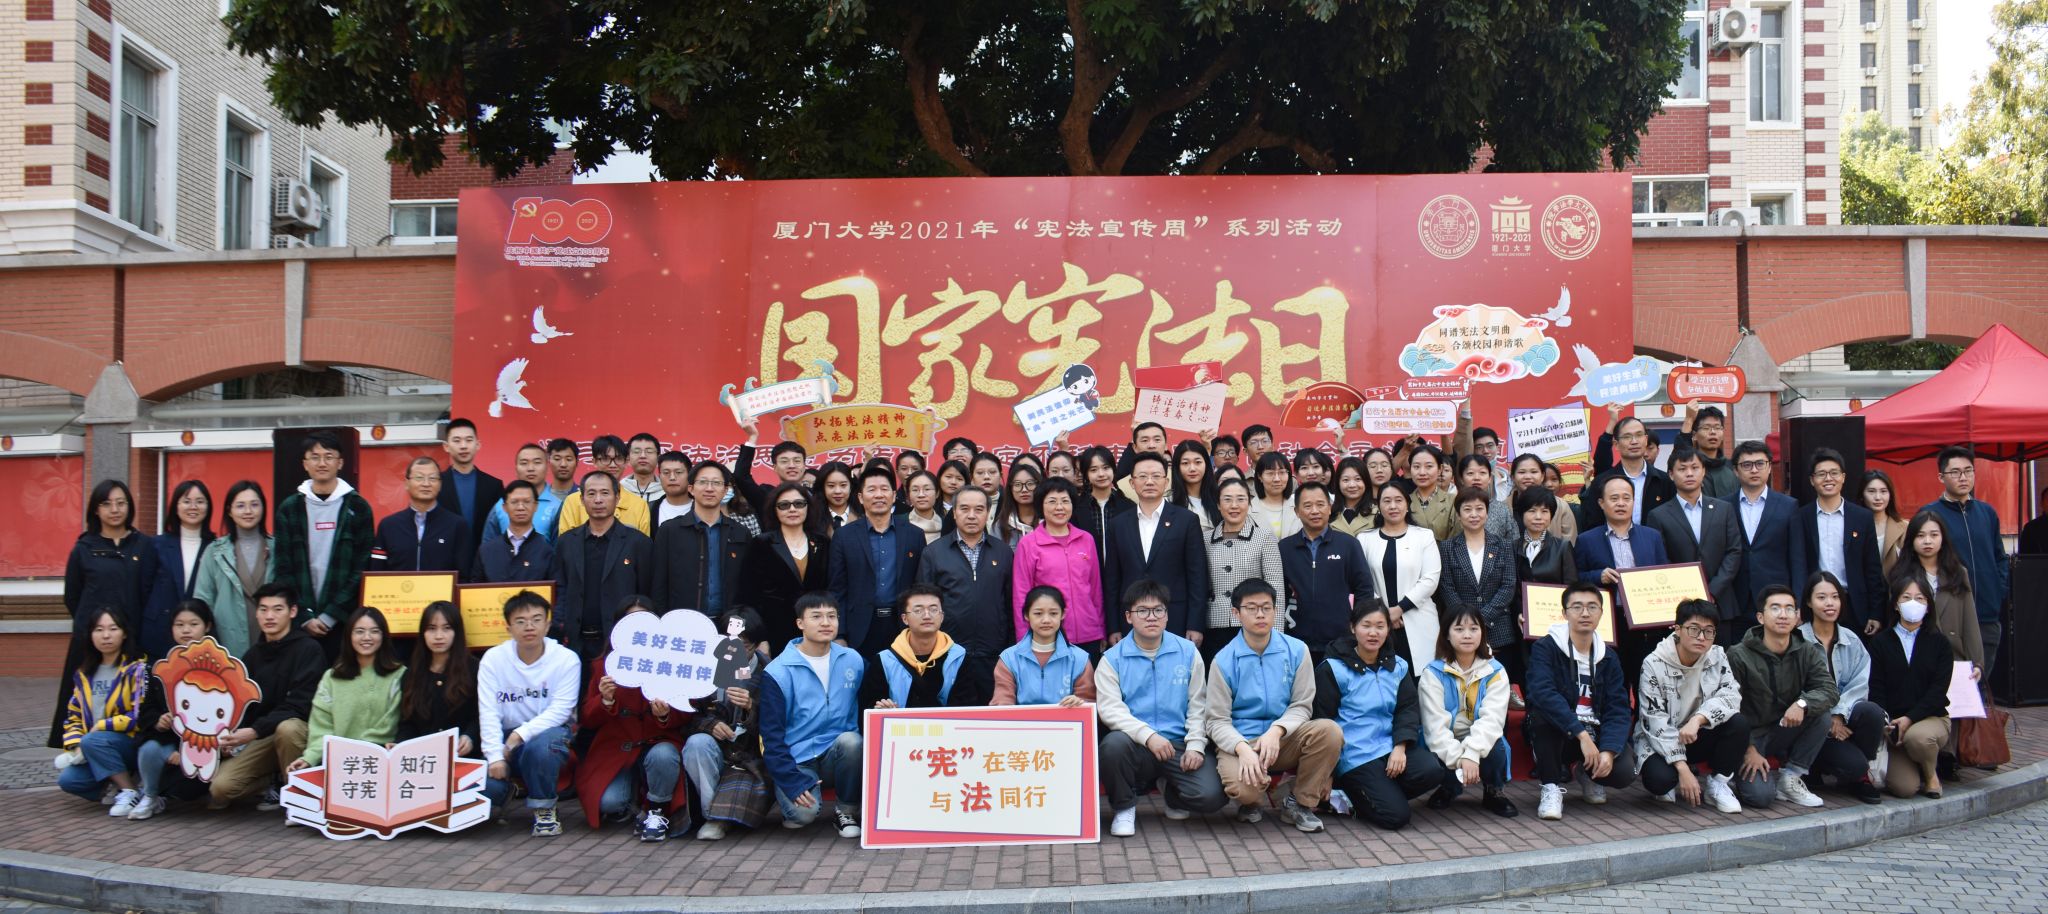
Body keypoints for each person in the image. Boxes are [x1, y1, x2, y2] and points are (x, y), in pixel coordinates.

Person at [1205, 579, 1343, 833]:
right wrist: (1242, 749)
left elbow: (1302, 705)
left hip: (1283, 739)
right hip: (1242, 742)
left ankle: (1299, 802)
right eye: (1251, 608)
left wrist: (1276, 730)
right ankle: (1251, 802)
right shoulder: (1223, 660)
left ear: (1276, 610)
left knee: (1329, 731)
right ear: (1236, 613)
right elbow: (1216, 721)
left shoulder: (1296, 650)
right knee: (1244, 790)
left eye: (1266, 607)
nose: (1260, 614)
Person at [1096, 580, 1226, 836]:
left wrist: (1195, 745)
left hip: (1178, 744)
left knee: (1213, 796)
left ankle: (1173, 794)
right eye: (1142, 611)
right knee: (1112, 746)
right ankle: (1124, 808)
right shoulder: (1112, 659)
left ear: (1167, 615)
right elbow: (1110, 710)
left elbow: (1198, 704)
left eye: (1158, 610)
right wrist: (1148, 736)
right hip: (1136, 744)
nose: (1151, 617)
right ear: (1129, 617)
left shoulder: (1187, 652)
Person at [1312, 599, 1446, 831]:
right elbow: (1322, 721)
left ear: (1388, 629)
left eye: (1380, 626)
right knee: (1396, 817)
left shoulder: (1398, 666)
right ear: (1353, 627)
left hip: (1388, 747)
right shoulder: (1333, 668)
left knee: (1432, 770)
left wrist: (1400, 747)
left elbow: (1407, 709)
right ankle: (1351, 795)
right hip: (1354, 756)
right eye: (1366, 625)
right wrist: (1327, 773)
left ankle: (1377, 794)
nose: (1373, 633)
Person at [577, 595, 689, 841]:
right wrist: (605, 700)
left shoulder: (673, 661)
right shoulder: (603, 665)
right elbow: (587, 719)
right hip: (617, 748)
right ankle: (637, 808)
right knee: (609, 803)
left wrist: (665, 715)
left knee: (664, 756)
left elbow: (687, 714)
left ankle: (656, 810)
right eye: (630, 620)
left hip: (658, 744)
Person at [1524, 582, 1637, 821]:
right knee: (1542, 716)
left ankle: (1590, 774)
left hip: (1595, 730)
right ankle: (1551, 787)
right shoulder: (1546, 647)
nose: (1585, 613)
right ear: (1564, 613)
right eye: (1577, 607)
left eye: (1592, 607)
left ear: (1601, 613)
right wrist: (1581, 734)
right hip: (1562, 730)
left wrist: (1609, 750)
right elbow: (1542, 693)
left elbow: (1618, 708)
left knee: (1624, 772)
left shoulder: (1609, 657)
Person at [209, 583, 324, 810]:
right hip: (262, 737)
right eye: (263, 609)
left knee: (288, 728)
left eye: (277, 609)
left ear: (292, 611)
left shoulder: (309, 649)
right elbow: (241, 705)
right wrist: (233, 736)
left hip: (299, 733)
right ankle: (272, 781)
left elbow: (299, 706)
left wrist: (253, 731)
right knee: (220, 788)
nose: (269, 616)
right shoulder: (252, 655)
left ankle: (300, 801)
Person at [761, 592, 864, 838]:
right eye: (816, 616)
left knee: (852, 741)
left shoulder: (853, 660)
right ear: (800, 623)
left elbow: (869, 702)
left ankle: (846, 811)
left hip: (837, 753)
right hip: (797, 760)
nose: (826, 623)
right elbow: (771, 735)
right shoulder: (778, 671)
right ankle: (790, 799)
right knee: (803, 815)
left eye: (832, 616)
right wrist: (791, 781)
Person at [1726, 585, 1837, 809]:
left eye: (1789, 609)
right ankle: (1733, 775)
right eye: (1775, 608)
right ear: (1760, 617)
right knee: (1760, 798)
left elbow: (1828, 689)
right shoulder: (1738, 655)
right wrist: (1748, 749)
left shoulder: (1805, 650)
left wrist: (1802, 704)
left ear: (1797, 617)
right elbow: (1728, 707)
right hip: (1748, 737)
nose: (1783, 615)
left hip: (1784, 729)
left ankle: (1791, 777)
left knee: (1820, 713)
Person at [478, 591, 580, 836]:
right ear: (508, 627)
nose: (529, 627)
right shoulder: (493, 659)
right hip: (505, 736)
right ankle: (507, 790)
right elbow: (488, 710)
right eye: (520, 621)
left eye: (536, 619)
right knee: (485, 791)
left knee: (540, 749)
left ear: (548, 624)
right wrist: (495, 756)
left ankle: (544, 808)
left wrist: (519, 735)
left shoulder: (566, 659)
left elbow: (561, 710)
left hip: (550, 733)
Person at [1631, 599, 1746, 814]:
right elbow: (1654, 720)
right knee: (1660, 781)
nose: (1701, 637)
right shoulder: (1653, 663)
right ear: (1677, 629)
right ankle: (1675, 776)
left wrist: (1698, 719)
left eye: (1709, 631)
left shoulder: (1717, 656)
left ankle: (1718, 784)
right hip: (1661, 739)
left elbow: (1731, 696)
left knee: (1738, 723)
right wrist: (1682, 768)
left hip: (1696, 733)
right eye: (1694, 629)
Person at [271, 430, 375, 648]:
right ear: (305, 464)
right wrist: (305, 616)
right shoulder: (289, 509)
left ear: (340, 462)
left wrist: (330, 615)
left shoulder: (358, 507)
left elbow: (362, 568)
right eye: (315, 457)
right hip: (299, 623)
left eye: (329, 457)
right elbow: (283, 568)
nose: (322, 463)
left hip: (345, 622)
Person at [1417, 607, 1518, 818]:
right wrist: (1462, 760)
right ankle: (1449, 786)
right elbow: (1435, 728)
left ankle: (1493, 790)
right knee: (1432, 749)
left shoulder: (1495, 671)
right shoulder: (1433, 673)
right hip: (1448, 736)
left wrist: (1472, 753)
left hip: (1479, 738)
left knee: (1496, 744)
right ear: (1446, 634)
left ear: (1482, 633)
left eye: (1474, 628)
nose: (1467, 635)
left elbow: (1492, 721)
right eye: (1459, 629)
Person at [914, 485, 1013, 700]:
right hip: (947, 653)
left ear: (988, 513)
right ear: (954, 512)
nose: (971, 515)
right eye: (964, 509)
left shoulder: (1004, 552)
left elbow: (1010, 602)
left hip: (993, 653)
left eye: (979, 509)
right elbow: (923, 603)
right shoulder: (934, 552)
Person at [1798, 573, 1889, 804]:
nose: (1829, 603)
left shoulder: (1851, 639)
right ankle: (1814, 766)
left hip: (1842, 720)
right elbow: (1797, 689)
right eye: (1821, 597)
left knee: (1872, 712)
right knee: (1852, 763)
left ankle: (1859, 777)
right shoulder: (1797, 640)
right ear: (1808, 602)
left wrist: (1839, 715)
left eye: (1835, 597)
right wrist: (1828, 717)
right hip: (1811, 723)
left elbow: (1860, 684)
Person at [1104, 452, 1210, 647]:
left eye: (1156, 476)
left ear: (1166, 481)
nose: (1149, 481)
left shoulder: (1186, 520)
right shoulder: (1118, 524)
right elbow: (1112, 580)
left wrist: (1195, 624)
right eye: (1142, 476)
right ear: (1132, 483)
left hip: (1176, 617)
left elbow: (1197, 576)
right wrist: (1113, 627)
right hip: (1131, 620)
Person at [683, 608, 771, 841]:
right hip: (714, 748)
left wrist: (751, 708)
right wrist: (710, 725)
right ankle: (714, 815)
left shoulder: (771, 672)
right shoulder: (701, 666)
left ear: (756, 645)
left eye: (745, 646)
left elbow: (778, 723)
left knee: (750, 783)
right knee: (697, 743)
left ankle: (716, 818)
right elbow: (687, 714)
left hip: (748, 756)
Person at [1922, 446, 2009, 678]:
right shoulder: (1930, 515)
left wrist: (1998, 589)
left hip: (1987, 613)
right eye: (1955, 472)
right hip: (1950, 615)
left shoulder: (1987, 512)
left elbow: (2000, 557)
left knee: (1980, 682)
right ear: (1941, 477)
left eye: (1968, 471)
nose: (1963, 477)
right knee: (1948, 683)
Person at [1575, 473, 1669, 686]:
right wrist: (1598, 576)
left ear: (1634, 502)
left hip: (1646, 622)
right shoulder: (1586, 540)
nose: (1621, 503)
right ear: (1601, 503)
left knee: (1648, 682)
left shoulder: (1652, 536)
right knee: (1614, 683)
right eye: (1614, 498)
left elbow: (1664, 574)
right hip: (1609, 621)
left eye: (1627, 498)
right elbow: (1575, 579)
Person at [552, 471, 654, 666]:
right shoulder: (567, 542)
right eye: (591, 494)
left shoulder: (638, 543)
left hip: (622, 642)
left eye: (605, 493)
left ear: (617, 497)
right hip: (574, 642)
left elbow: (646, 593)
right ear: (581, 499)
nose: (598, 500)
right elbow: (561, 589)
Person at [128, 600, 218, 819]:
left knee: (188, 789)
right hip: (168, 742)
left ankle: (169, 791)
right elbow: (146, 710)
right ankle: (150, 796)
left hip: (207, 746)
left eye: (193, 624)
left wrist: (186, 749)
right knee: (149, 749)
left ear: (207, 626)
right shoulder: (160, 667)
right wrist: (158, 721)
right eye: (179, 625)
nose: (186, 630)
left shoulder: (221, 665)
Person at [54, 608, 150, 812]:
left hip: (130, 743)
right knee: (68, 780)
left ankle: (129, 791)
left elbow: (140, 714)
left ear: (124, 633)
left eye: (113, 629)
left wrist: (101, 726)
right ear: (91, 635)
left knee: (93, 740)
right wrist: (76, 745)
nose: (106, 635)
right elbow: (73, 716)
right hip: (94, 745)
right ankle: (118, 783)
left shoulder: (137, 669)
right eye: (99, 629)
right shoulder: (84, 674)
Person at [1868, 576, 1955, 799]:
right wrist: (1886, 722)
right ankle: (1919, 762)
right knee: (1904, 788)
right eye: (1906, 597)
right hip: (1894, 724)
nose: (1913, 603)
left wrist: (1910, 719)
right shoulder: (1880, 642)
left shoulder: (1940, 643)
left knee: (1918, 738)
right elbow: (1876, 687)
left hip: (1931, 718)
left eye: (1920, 598)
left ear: (1928, 606)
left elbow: (1938, 691)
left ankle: (1930, 775)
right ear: (1896, 604)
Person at [290, 606, 404, 771]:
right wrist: (310, 758)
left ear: (383, 636)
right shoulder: (332, 677)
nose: (367, 637)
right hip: (341, 764)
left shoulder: (399, 675)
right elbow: (321, 726)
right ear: (349, 635)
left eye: (374, 631)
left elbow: (390, 723)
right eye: (359, 631)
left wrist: (359, 751)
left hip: (383, 761)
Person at [829, 466, 928, 656]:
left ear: (893, 495)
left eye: (884, 489)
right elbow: (837, 589)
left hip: (903, 626)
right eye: (871, 489)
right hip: (859, 628)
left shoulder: (914, 534)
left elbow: (920, 585)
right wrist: (839, 633)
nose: (878, 495)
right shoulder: (844, 536)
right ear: (860, 497)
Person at [1792, 448, 1887, 636]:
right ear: (1812, 480)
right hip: (1815, 604)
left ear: (1843, 477)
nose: (1828, 478)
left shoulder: (1862, 517)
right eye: (1821, 474)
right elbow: (1797, 564)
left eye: (1834, 473)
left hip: (1854, 605)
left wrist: (1875, 612)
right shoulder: (1801, 517)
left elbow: (1872, 568)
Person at [1277, 482, 1376, 662]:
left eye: (1320, 504)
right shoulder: (1284, 548)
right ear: (1297, 511)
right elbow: (1278, 593)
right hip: (1296, 640)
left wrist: (1356, 625)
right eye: (1307, 506)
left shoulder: (1348, 544)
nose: (1315, 511)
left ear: (1330, 508)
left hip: (1341, 639)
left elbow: (1364, 589)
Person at [1645, 446, 1744, 624]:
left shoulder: (1723, 509)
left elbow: (1734, 551)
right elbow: (1661, 559)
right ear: (1671, 474)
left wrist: (1712, 591)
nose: (1689, 473)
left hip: (1721, 602)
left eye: (1695, 467)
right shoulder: (1658, 515)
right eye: (1682, 469)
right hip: (1680, 603)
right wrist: (1687, 592)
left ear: (1703, 471)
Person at [1011, 478, 1104, 651]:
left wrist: (1101, 630)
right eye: (1052, 502)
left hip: (1089, 633)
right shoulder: (1028, 544)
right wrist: (1024, 639)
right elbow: (1021, 595)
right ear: (1041, 506)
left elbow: (1095, 590)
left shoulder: (1086, 539)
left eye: (1065, 501)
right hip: (1047, 635)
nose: (1059, 507)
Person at [1362, 481, 1442, 681]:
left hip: (1419, 620)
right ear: (1378, 506)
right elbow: (1363, 581)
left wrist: (1399, 609)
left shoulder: (1424, 536)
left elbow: (1430, 579)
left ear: (1407, 504)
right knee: (1381, 680)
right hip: (1378, 622)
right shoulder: (1365, 539)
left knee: (1423, 682)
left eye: (1398, 500)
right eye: (1386, 501)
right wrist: (1385, 612)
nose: (1393, 506)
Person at [738, 482, 831, 655]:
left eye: (799, 504)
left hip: (816, 628)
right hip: (774, 629)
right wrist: (760, 637)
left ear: (808, 507)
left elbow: (829, 587)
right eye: (784, 505)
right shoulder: (761, 543)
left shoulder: (823, 542)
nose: (792, 509)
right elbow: (749, 594)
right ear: (774, 510)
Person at [651, 461, 752, 619]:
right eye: (703, 482)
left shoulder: (740, 532)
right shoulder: (670, 531)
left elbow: (747, 585)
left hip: (728, 623)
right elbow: (658, 584)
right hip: (680, 622)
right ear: (691, 488)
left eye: (716, 483)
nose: (709, 488)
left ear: (725, 490)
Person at [1726, 440, 1802, 648]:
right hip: (1736, 598)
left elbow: (1797, 557)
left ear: (1769, 467)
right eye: (1747, 465)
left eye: (1760, 463)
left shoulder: (1788, 506)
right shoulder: (1723, 505)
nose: (1754, 470)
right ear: (1736, 470)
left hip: (1777, 597)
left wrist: (1798, 602)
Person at [1437, 486, 1517, 682]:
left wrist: (1481, 619)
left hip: (1498, 629)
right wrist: (1467, 621)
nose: (1474, 514)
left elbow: (1508, 585)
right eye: (1467, 509)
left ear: (1487, 513)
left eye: (1479, 509)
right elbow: (1447, 587)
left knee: (1498, 686)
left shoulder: (1503, 546)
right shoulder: (1447, 548)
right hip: (1460, 630)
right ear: (1458, 515)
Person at [1894, 511, 1987, 676]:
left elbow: (1969, 620)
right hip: (1914, 659)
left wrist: (1977, 662)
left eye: (1934, 535)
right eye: (1920, 535)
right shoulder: (1901, 574)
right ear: (1911, 540)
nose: (1927, 541)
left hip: (1953, 656)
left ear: (1943, 538)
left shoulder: (1957, 573)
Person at [1203, 477, 1285, 661]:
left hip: (1254, 624)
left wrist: (1276, 633)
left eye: (1240, 499)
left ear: (1249, 503)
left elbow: (1276, 588)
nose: (1234, 505)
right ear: (1218, 505)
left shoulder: (1264, 538)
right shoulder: (1205, 539)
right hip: (1214, 625)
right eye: (1227, 499)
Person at [859, 584, 976, 708]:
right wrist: (883, 709)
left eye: (933, 609)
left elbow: (966, 706)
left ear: (942, 616)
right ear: (905, 619)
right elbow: (870, 706)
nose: (927, 616)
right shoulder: (885, 660)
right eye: (918, 610)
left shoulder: (958, 657)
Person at [191, 480, 270, 656]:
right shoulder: (215, 551)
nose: (248, 511)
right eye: (240, 506)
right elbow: (203, 601)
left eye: (254, 505)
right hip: (227, 640)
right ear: (229, 511)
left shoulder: (277, 548)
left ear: (263, 508)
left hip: (270, 636)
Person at [396, 601, 480, 756]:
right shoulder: (412, 673)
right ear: (423, 633)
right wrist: (399, 746)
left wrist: (470, 736)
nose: (439, 636)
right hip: (423, 758)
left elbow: (482, 715)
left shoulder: (475, 669)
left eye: (446, 628)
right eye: (432, 629)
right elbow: (407, 723)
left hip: (463, 757)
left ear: (457, 632)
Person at [143, 480, 212, 659]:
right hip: (160, 633)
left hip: (201, 638)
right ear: (176, 506)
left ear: (208, 507)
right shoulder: (156, 545)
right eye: (186, 501)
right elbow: (142, 589)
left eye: (200, 501)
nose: (193, 507)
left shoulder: (216, 547)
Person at [371, 457, 476, 576]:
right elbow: (376, 574)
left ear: (440, 484)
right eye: (419, 478)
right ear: (406, 483)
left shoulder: (457, 525)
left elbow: (464, 575)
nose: (426, 484)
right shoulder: (388, 526)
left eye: (432, 478)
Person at [993, 587, 1096, 705]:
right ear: (1026, 615)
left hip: (1065, 718)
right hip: (1021, 718)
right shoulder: (1009, 658)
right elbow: (1002, 702)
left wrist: (1080, 702)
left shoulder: (1079, 659)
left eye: (1053, 613)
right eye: (1038, 613)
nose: (1046, 620)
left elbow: (1089, 702)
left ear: (1063, 614)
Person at [1074, 445, 1134, 624]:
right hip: (1087, 585)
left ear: (1113, 470)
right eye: (1093, 470)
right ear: (1086, 475)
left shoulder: (1129, 507)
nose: (1101, 474)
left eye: (1106, 468)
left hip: (1124, 584)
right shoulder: (1075, 508)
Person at [1588, 413, 1675, 528]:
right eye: (1627, 437)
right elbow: (1591, 525)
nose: (1634, 441)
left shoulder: (1664, 481)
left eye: (1639, 435)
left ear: (1645, 439)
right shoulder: (1602, 482)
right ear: (1616, 444)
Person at [554, 436, 653, 536]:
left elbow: (642, 543)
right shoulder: (573, 501)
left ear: (626, 461)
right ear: (594, 461)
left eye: (618, 459)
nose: (613, 465)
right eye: (605, 459)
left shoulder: (639, 505)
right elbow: (566, 541)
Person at [438, 418, 504, 552]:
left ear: (477, 444)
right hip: (445, 557)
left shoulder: (494, 485)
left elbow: (500, 526)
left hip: (484, 556)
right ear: (446, 446)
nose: (463, 446)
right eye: (457, 441)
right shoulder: (436, 483)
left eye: (469, 440)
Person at [472, 480, 557, 584]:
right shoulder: (486, 551)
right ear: (504, 507)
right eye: (514, 502)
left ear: (536, 506)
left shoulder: (547, 551)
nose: (520, 507)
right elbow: (475, 589)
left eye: (527, 502)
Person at [482, 443, 564, 542]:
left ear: (547, 467)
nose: (530, 468)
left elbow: (560, 547)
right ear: (516, 468)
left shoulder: (557, 506)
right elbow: (488, 545)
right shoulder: (501, 506)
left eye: (537, 462)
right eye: (524, 463)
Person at [733, 420, 810, 516]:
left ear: (804, 466)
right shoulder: (766, 496)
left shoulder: (816, 496)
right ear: (775, 467)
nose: (791, 465)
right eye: (784, 461)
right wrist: (752, 436)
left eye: (797, 461)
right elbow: (741, 477)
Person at [1510, 453, 1577, 542]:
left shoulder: (1561, 506)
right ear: (1513, 477)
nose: (1528, 477)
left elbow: (1569, 542)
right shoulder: (1503, 507)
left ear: (1542, 476)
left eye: (1534, 472)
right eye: (1522, 472)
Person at [1679, 403, 1739, 499]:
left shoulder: (1733, 469)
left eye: (1717, 428)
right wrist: (1689, 419)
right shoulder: (1688, 470)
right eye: (1706, 428)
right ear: (1694, 435)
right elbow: (1679, 455)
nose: (1713, 432)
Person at [1454, 454, 1516, 542]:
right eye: (1470, 473)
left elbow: (1513, 540)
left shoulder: (1502, 509)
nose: (1476, 478)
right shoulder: (1452, 507)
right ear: (1461, 479)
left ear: (1490, 478)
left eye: (1482, 473)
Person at [1860, 469, 1910, 572]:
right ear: (1862, 495)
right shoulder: (1852, 526)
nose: (1878, 497)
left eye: (1883, 491)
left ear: (1890, 495)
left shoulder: (1905, 528)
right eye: (1871, 491)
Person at [1249, 451, 1300, 540]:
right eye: (1270, 473)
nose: (1277, 479)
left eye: (1282, 472)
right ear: (1260, 476)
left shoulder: (1299, 506)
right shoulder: (1248, 511)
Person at [1113, 422, 1171, 498]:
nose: (1151, 446)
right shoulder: (1123, 485)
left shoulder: (1178, 478)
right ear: (1135, 447)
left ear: (1166, 445)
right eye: (1145, 440)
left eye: (1157, 440)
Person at [648, 450, 697, 528]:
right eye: (666, 473)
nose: (672, 477)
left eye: (678, 472)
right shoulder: (648, 509)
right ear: (659, 476)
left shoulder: (703, 507)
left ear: (690, 475)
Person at [900, 470, 949, 543]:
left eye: (927, 489)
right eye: (915, 490)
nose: (921, 495)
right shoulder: (898, 523)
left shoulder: (947, 524)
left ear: (937, 493)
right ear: (908, 494)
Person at [1330, 457, 1375, 537]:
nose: (1352, 485)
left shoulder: (1378, 514)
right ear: (1338, 483)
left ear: (1366, 481)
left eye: (1358, 479)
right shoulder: (1329, 514)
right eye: (1346, 480)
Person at [620, 433, 666, 506]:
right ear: (628, 458)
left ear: (658, 458)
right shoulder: (619, 490)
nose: (643, 456)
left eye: (649, 452)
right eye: (636, 452)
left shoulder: (667, 492)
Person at [1470, 426, 1513, 503]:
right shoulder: (1469, 478)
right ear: (1472, 450)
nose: (1485, 451)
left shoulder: (1507, 477)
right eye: (1479, 447)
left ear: (1498, 448)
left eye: (1490, 446)